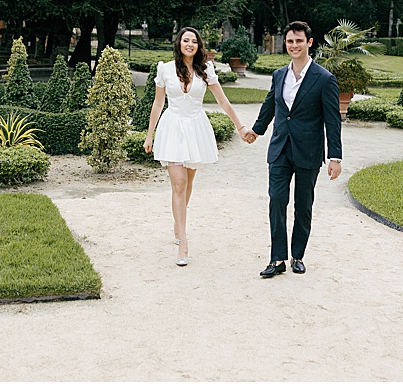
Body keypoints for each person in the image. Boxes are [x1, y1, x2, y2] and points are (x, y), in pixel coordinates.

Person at [244, 20, 342, 278]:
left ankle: (297, 254)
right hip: (279, 149)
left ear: (309, 43)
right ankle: (277, 259)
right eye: (290, 41)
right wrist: (256, 130)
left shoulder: (324, 79)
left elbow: (333, 120)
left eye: (299, 40)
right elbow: (270, 106)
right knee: (277, 200)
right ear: (285, 44)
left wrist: (335, 156)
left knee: (303, 204)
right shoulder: (278, 75)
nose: (294, 45)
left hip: (308, 151)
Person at [143, 26, 247, 266]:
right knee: (178, 183)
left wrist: (240, 127)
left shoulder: (205, 71)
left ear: (199, 46)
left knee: (188, 183)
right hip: (172, 128)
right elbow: (158, 104)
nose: (189, 44)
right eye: (185, 40)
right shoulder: (165, 69)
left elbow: (223, 100)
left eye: (194, 41)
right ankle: (183, 239)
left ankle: (178, 222)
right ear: (179, 43)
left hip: (195, 128)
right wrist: (150, 135)